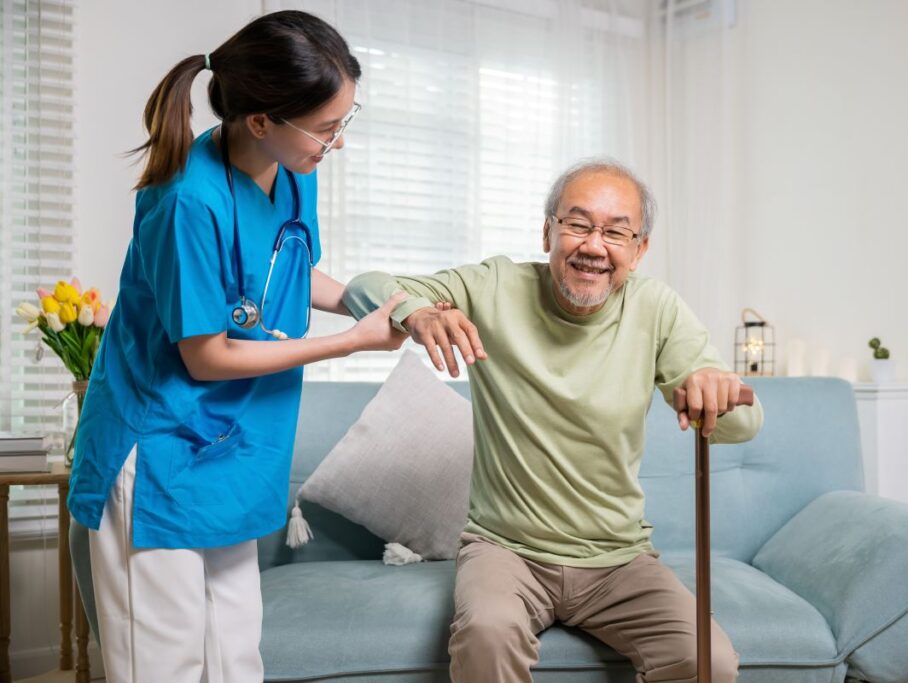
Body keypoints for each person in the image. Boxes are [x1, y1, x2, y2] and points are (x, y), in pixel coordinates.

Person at [65, 11, 453, 682]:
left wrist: (381, 306)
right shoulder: (188, 198)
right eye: (327, 127)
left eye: (343, 122)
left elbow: (286, 276)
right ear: (262, 120)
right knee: (168, 665)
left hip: (233, 452)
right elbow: (205, 354)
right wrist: (349, 345)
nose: (336, 142)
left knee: (237, 661)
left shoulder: (295, 169)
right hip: (161, 453)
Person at [341, 158, 765, 683]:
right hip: (506, 551)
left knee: (710, 662)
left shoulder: (656, 309)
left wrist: (715, 391)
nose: (594, 245)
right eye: (578, 224)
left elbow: (743, 426)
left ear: (640, 249)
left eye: (615, 231)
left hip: (619, 558)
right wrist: (421, 314)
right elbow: (364, 287)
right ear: (548, 232)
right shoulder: (495, 286)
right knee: (486, 636)